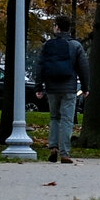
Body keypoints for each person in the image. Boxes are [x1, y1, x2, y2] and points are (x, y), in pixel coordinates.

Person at [35, 15, 87, 164]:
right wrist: (85, 87)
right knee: (67, 120)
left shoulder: (47, 45)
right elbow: (83, 68)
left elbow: (40, 66)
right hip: (69, 87)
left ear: (57, 27)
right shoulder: (76, 46)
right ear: (68, 28)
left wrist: (39, 86)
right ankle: (65, 153)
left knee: (54, 117)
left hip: (51, 87)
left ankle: (53, 148)